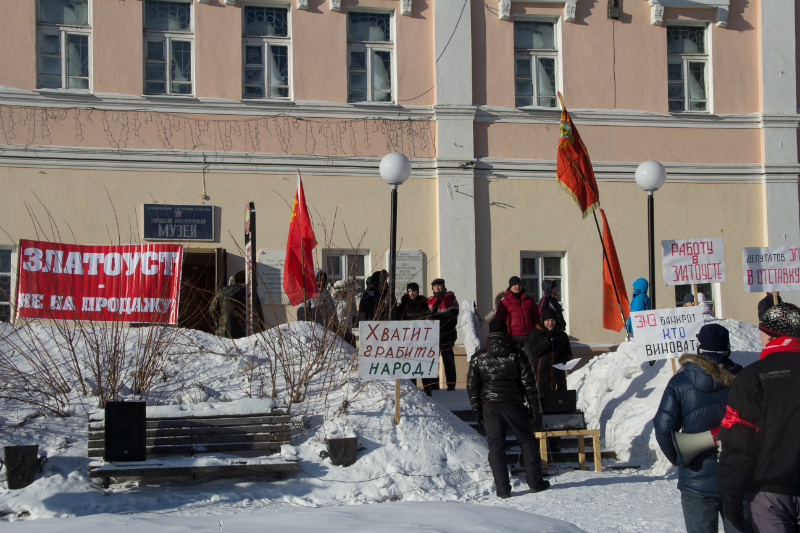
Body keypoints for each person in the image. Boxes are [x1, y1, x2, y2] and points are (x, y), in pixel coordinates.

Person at [653, 324, 747, 533]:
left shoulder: (680, 381)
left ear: (699, 348)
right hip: (738, 477)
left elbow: (663, 429)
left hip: (697, 479)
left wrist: (683, 459)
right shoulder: (744, 380)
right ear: (728, 348)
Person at [718, 303, 800, 533]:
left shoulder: (753, 375)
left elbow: (739, 440)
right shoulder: (752, 375)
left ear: (769, 335)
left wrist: (731, 495)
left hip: (769, 492)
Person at [467, 319, 550, 499]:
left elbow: (472, 387)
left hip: (490, 407)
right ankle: (535, 483)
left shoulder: (478, 356)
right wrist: (535, 410)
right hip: (514, 405)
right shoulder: (518, 354)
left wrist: (478, 411)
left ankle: (502, 489)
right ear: (506, 333)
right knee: (527, 441)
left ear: (490, 334)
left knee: (496, 447)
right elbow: (530, 385)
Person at [525, 308, 572, 392]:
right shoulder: (535, 333)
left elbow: (568, 352)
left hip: (557, 376)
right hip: (541, 376)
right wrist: (547, 339)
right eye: (547, 320)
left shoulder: (562, 335)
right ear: (543, 321)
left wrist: (566, 358)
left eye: (553, 320)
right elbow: (534, 351)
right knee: (542, 399)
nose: (550, 323)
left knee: (558, 399)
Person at [209, 270, 264, 339]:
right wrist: (261, 330)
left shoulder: (222, 291)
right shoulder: (250, 292)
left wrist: (219, 323)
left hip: (224, 331)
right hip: (244, 331)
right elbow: (258, 313)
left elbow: (212, 309)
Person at [426, 278, 459, 393]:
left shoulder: (450, 299)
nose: (437, 288)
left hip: (447, 334)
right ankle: (434, 384)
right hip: (432, 335)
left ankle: (451, 384)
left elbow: (453, 315)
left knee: (448, 359)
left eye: (439, 286)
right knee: (433, 360)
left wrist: (436, 317)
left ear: (443, 287)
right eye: (435, 286)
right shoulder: (429, 301)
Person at [497, 276, 541, 346]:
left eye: (519, 284)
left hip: (528, 335)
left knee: (530, 353)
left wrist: (537, 331)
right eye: (515, 285)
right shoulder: (505, 302)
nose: (517, 286)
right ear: (510, 287)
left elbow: (536, 317)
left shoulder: (529, 300)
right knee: (515, 353)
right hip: (512, 336)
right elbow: (500, 320)